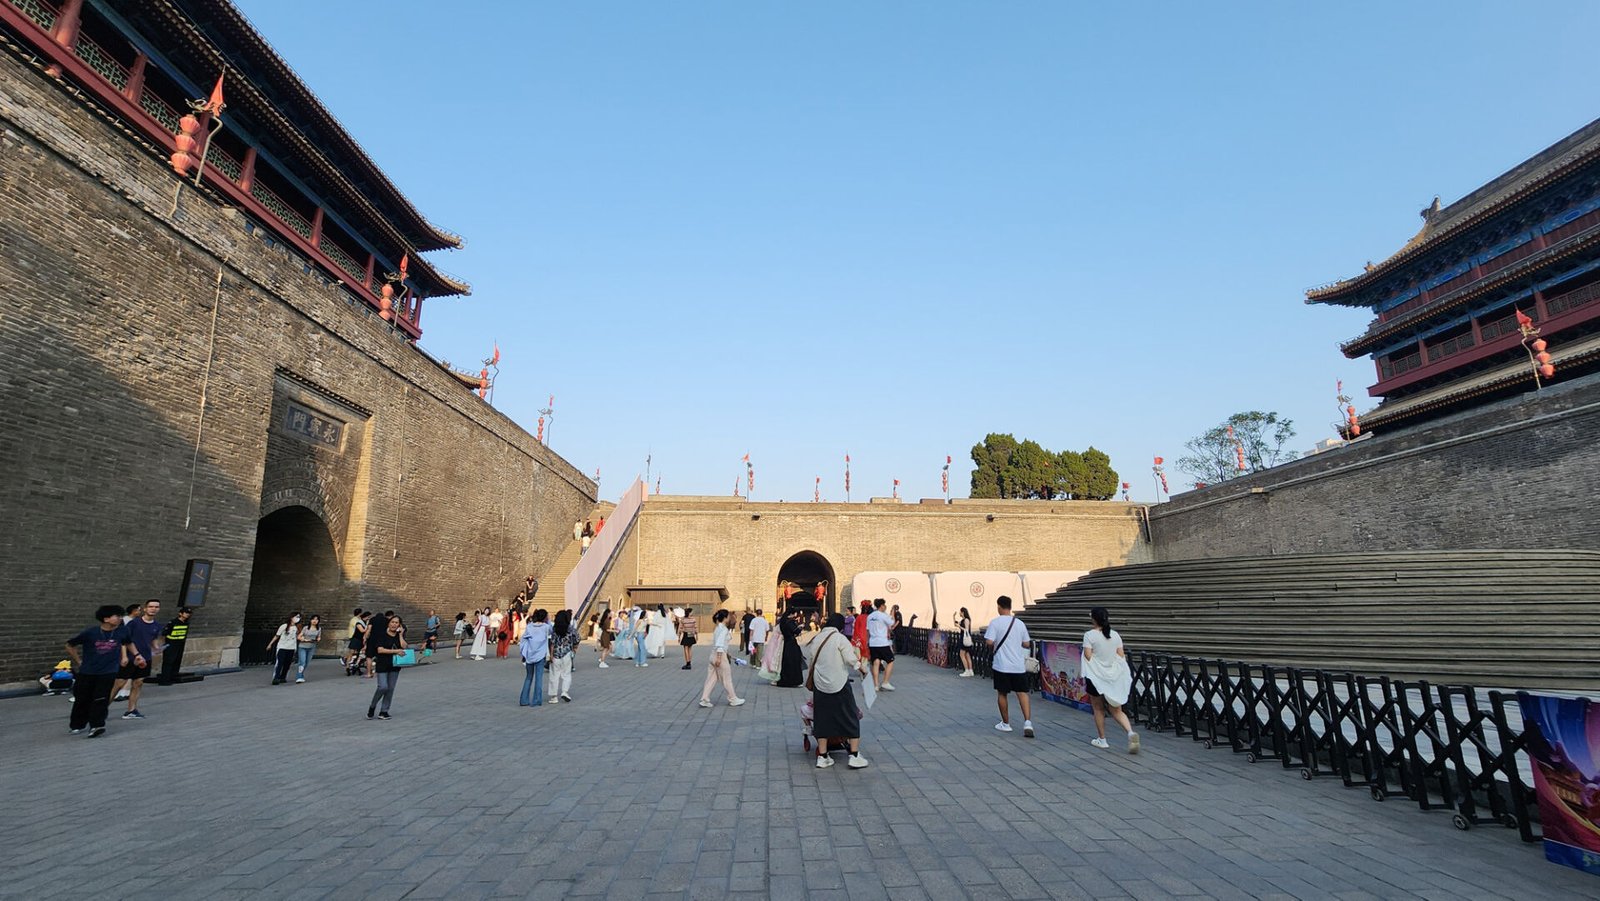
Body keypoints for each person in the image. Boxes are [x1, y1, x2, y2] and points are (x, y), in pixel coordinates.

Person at [805, 613, 869, 769]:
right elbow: (850, 658)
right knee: (850, 716)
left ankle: (823, 756)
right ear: (840, 626)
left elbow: (812, 660)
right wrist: (862, 669)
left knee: (822, 719)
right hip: (839, 683)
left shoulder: (817, 638)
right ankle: (854, 755)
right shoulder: (840, 638)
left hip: (820, 685)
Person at [66, 605, 139, 737]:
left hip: (108, 672)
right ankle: (77, 724)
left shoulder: (122, 631)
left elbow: (128, 643)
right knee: (82, 699)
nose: (120, 618)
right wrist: (78, 661)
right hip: (87, 671)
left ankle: (97, 725)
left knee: (101, 699)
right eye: (117, 616)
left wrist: (137, 655)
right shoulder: (91, 633)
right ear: (106, 619)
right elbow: (70, 645)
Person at [1082, 606, 1140, 753]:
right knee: (1117, 710)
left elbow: (1088, 656)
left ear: (1093, 619)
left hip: (1095, 675)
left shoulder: (1090, 635)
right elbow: (1120, 655)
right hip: (1113, 675)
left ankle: (1102, 739)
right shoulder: (1115, 635)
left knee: (1098, 708)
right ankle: (1130, 732)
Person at [984, 596, 1034, 737]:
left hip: (1002, 665)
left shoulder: (995, 622)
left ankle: (1006, 723)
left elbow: (989, 641)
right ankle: (1028, 722)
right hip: (1018, 665)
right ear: (1010, 607)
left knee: (1002, 693)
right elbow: (1026, 643)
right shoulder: (1019, 623)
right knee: (1022, 693)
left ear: (999, 606)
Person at [114, 599, 162, 718]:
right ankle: (101, 710)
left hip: (145, 658)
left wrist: (157, 648)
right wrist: (124, 656)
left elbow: (153, 640)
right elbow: (124, 640)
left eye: (156, 607)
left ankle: (131, 710)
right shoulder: (134, 623)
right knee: (119, 683)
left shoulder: (156, 625)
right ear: (145, 609)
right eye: (151, 606)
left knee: (138, 683)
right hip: (131, 657)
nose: (153, 609)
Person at [698, 610, 745, 708]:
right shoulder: (723, 629)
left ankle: (705, 699)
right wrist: (720, 657)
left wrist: (727, 654)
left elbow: (719, 644)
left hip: (713, 654)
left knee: (711, 678)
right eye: (728, 616)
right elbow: (720, 643)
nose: (729, 618)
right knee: (727, 679)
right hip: (719, 655)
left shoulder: (717, 628)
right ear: (724, 618)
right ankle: (733, 698)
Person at [367, 615, 408, 720]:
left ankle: (384, 711)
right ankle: (373, 705)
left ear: (399, 625)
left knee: (390, 689)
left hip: (395, 665)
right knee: (383, 687)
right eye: (392, 622)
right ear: (388, 623)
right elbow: (380, 650)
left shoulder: (398, 636)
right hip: (382, 664)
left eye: (397, 623)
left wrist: (400, 634)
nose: (394, 624)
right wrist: (396, 651)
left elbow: (404, 646)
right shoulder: (382, 635)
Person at [519, 609, 552, 707]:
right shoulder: (546, 627)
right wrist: (549, 620)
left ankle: (523, 699)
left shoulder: (529, 627)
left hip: (530, 654)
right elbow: (552, 630)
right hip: (540, 655)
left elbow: (523, 639)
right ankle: (536, 699)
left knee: (528, 677)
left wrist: (524, 652)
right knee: (538, 678)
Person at [113, 603, 143, 701]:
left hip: (132, 649)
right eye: (138, 610)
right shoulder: (125, 621)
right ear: (134, 611)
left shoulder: (137, 621)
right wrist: (124, 655)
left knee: (130, 670)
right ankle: (118, 691)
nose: (140, 612)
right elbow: (124, 639)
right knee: (122, 672)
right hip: (123, 648)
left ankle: (125, 690)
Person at [157, 606, 193, 685]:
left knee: (177, 661)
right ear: (180, 613)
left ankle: (172, 677)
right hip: (171, 644)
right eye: (186, 613)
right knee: (169, 661)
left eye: (189, 613)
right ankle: (165, 680)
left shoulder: (186, 623)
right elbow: (164, 634)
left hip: (180, 644)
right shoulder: (173, 622)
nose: (188, 615)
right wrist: (163, 645)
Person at [548, 609, 578, 703]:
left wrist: (551, 655)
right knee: (566, 674)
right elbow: (577, 639)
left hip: (556, 653)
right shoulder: (571, 629)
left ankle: (554, 696)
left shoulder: (554, 629)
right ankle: (564, 691)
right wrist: (574, 648)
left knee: (554, 675)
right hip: (567, 653)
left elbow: (552, 643)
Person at [866, 599, 896, 691]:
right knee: (890, 660)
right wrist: (892, 614)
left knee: (876, 662)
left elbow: (867, 630)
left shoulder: (870, 616)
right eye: (884, 605)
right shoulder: (883, 616)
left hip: (873, 642)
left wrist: (868, 642)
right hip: (882, 642)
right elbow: (892, 623)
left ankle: (875, 685)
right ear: (882, 606)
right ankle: (885, 682)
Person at [267, 612, 302, 685]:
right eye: (296, 617)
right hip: (282, 647)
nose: (297, 618)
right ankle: (276, 677)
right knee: (280, 663)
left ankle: (283, 677)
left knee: (287, 663)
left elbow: (298, 637)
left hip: (291, 648)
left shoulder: (297, 627)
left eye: (298, 617)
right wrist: (270, 644)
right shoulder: (284, 626)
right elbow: (277, 636)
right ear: (291, 617)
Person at [775, 611, 805, 688]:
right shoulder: (790, 622)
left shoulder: (783, 622)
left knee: (786, 662)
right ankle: (794, 680)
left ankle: (785, 679)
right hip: (792, 644)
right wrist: (800, 627)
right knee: (794, 662)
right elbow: (796, 631)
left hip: (786, 643)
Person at [295, 614, 322, 683]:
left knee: (306, 663)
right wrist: (304, 639)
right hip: (303, 646)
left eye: (316, 619)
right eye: (313, 619)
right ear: (310, 620)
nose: (314, 621)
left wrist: (318, 639)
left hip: (312, 647)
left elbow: (318, 636)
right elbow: (299, 637)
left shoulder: (319, 629)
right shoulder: (306, 628)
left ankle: (301, 674)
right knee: (302, 662)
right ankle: (299, 676)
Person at [956, 607, 975, 677]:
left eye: (960, 612)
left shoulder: (966, 620)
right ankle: (970, 670)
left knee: (962, 655)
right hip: (964, 638)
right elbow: (957, 624)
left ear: (963, 612)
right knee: (967, 655)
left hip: (965, 639)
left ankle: (967, 670)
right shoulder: (963, 620)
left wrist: (959, 627)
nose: (959, 613)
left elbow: (966, 630)